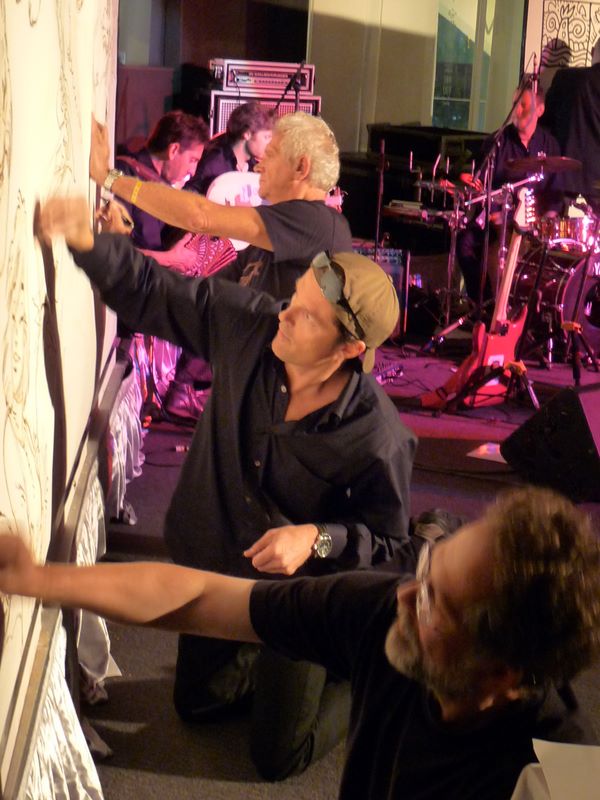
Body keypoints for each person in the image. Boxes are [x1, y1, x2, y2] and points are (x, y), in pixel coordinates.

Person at [37, 195, 418, 779]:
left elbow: (390, 546)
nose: (285, 314)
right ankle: (266, 657)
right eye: (295, 299)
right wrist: (90, 243)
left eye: (307, 316)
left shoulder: (378, 436)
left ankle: (368, 668)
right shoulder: (251, 325)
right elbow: (156, 292)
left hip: (306, 594)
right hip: (222, 563)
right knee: (197, 705)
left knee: (277, 756)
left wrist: (317, 538)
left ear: (350, 350)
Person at [2, 486, 599, 798]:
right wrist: (40, 580)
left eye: (434, 601)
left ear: (503, 671)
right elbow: (201, 598)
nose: (404, 596)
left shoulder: (561, 777)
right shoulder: (381, 614)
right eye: (425, 571)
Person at [94, 111, 358, 421]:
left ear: (301, 168)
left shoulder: (317, 223)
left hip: (289, 410)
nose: (259, 165)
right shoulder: (277, 240)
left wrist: (109, 178)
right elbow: (199, 298)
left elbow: (200, 216)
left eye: (272, 154)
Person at [456, 83, 562, 305]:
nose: (517, 110)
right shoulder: (497, 142)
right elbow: (481, 185)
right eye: (515, 104)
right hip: (500, 220)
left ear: (540, 110)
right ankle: (484, 304)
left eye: (523, 105)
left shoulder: (549, 145)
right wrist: (495, 212)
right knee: (464, 243)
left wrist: (546, 222)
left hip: (534, 225)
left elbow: (555, 196)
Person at [541, 37, 600, 203]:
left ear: (592, 52)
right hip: (597, 181)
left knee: (554, 218)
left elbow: (545, 123)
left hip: (564, 176)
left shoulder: (565, 78)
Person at [186, 100, 273, 196]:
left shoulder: (254, 168)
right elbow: (189, 195)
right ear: (247, 134)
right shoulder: (214, 163)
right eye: (266, 137)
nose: (270, 143)